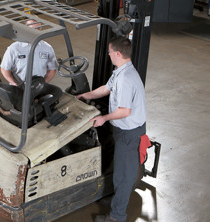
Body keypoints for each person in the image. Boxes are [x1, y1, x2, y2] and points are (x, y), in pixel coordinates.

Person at [77, 36, 147, 222]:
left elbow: (124, 111)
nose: (107, 55)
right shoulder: (120, 72)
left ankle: (117, 216)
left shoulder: (126, 79)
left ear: (117, 53)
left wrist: (103, 118)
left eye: (109, 52)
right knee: (119, 171)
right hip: (122, 131)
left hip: (128, 133)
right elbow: (106, 88)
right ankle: (118, 201)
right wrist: (84, 95)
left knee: (124, 176)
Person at [0, 19, 57, 86]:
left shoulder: (47, 48)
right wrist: (14, 84)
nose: (35, 31)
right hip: (18, 87)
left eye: (37, 28)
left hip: (38, 87)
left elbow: (52, 69)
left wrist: (42, 85)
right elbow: (4, 69)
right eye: (31, 28)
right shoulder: (14, 48)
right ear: (25, 29)